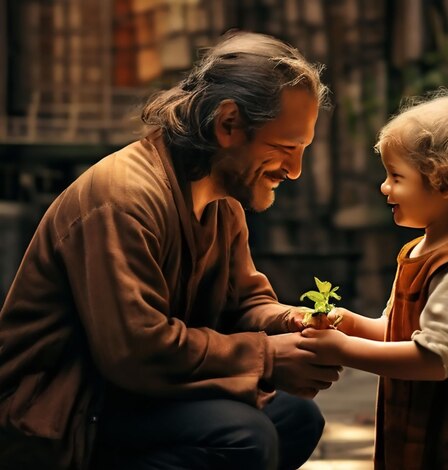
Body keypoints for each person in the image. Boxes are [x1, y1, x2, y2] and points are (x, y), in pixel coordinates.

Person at [0, 30, 342, 470]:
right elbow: (136, 351)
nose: (294, 171)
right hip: (66, 408)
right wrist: (268, 356)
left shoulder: (222, 205)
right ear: (229, 124)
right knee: (243, 438)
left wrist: (295, 322)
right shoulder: (122, 198)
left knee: (296, 418)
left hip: (131, 395)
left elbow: (243, 305)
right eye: (285, 148)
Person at [299, 88, 448, 469]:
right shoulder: (418, 251)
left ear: (447, 182)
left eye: (396, 176)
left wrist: (342, 350)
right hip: (421, 437)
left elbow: (434, 357)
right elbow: (399, 331)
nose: (385, 187)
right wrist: (351, 325)